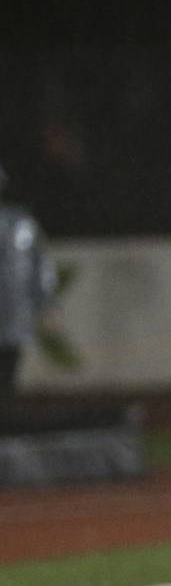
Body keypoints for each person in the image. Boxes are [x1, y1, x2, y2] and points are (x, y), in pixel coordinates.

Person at [0, 164, 59, 411]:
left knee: (7, 376)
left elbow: (40, 267)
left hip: (13, 316)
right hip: (14, 315)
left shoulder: (21, 224)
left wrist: (46, 307)